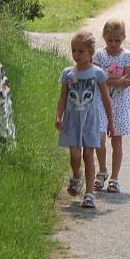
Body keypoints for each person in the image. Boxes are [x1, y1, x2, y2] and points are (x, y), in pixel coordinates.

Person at [56, 30, 115, 208]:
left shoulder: (97, 73)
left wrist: (110, 121)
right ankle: (76, 175)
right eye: (74, 51)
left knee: (88, 155)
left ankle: (89, 194)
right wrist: (58, 116)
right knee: (75, 154)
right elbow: (62, 97)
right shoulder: (68, 73)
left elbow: (105, 98)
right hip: (72, 121)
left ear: (91, 53)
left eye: (81, 51)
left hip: (90, 121)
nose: (76, 55)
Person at [92, 19, 130, 194]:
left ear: (123, 38)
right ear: (104, 37)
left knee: (117, 141)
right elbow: (95, 78)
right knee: (99, 137)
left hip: (120, 104)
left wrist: (108, 79)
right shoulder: (98, 55)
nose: (113, 44)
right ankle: (102, 170)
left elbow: (127, 82)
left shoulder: (127, 56)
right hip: (100, 102)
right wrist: (114, 80)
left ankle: (115, 178)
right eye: (110, 40)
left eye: (117, 41)